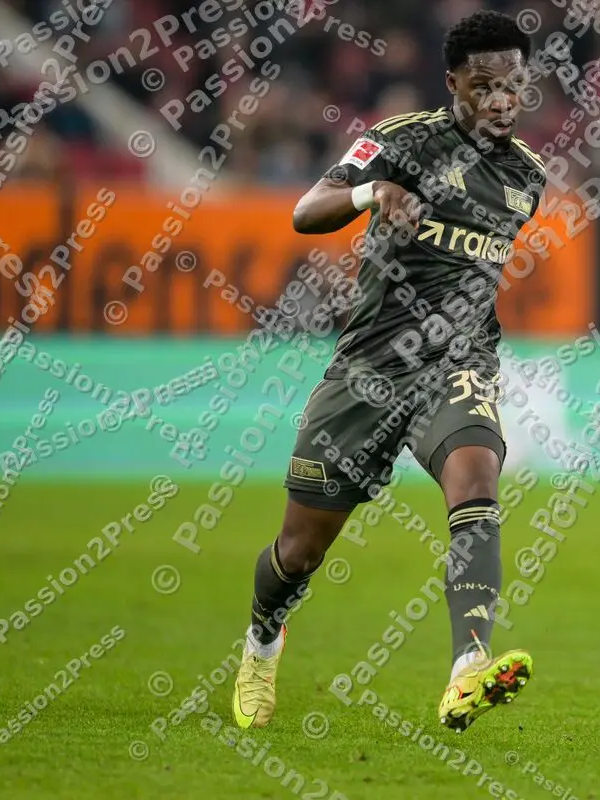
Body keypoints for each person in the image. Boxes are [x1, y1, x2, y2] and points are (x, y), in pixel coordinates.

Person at [232, 10, 546, 734]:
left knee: (476, 479)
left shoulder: (527, 177)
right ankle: (261, 640)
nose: (502, 99)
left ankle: (468, 667)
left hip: (460, 359)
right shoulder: (402, 140)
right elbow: (307, 212)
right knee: (301, 549)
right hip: (370, 368)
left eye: (513, 85)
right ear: (453, 84)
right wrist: (374, 196)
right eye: (484, 85)